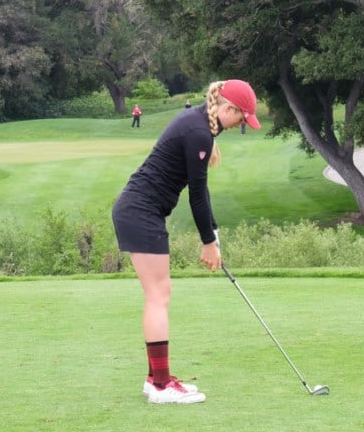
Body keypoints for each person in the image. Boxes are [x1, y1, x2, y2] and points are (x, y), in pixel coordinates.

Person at [112, 80, 261, 404]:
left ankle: (156, 379)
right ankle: (162, 386)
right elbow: (195, 195)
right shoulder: (198, 131)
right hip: (140, 211)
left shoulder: (199, 125)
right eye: (241, 118)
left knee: (159, 294)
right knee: (158, 296)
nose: (240, 126)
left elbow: (200, 187)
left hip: (143, 212)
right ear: (228, 108)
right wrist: (208, 244)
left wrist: (214, 233)